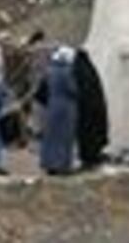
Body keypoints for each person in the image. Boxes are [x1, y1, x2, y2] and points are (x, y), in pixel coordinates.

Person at [36, 46, 78, 175]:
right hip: (65, 107)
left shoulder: (50, 71)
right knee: (64, 137)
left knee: (51, 137)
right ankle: (62, 165)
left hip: (52, 105)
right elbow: (72, 89)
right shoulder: (66, 72)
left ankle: (49, 163)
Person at [73, 48, 109, 169]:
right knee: (93, 135)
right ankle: (92, 157)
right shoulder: (91, 71)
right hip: (94, 108)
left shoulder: (79, 71)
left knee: (87, 134)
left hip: (85, 111)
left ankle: (88, 158)